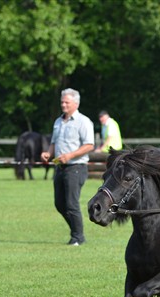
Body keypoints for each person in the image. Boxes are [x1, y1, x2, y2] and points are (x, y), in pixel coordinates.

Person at [41, 88, 94, 246]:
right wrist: (48, 153)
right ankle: (76, 233)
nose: (63, 105)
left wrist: (70, 156)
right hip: (60, 167)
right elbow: (54, 142)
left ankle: (78, 237)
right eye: (62, 102)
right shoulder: (58, 121)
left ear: (75, 104)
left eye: (66, 102)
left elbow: (89, 145)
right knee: (59, 204)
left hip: (76, 167)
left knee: (71, 204)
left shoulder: (83, 121)